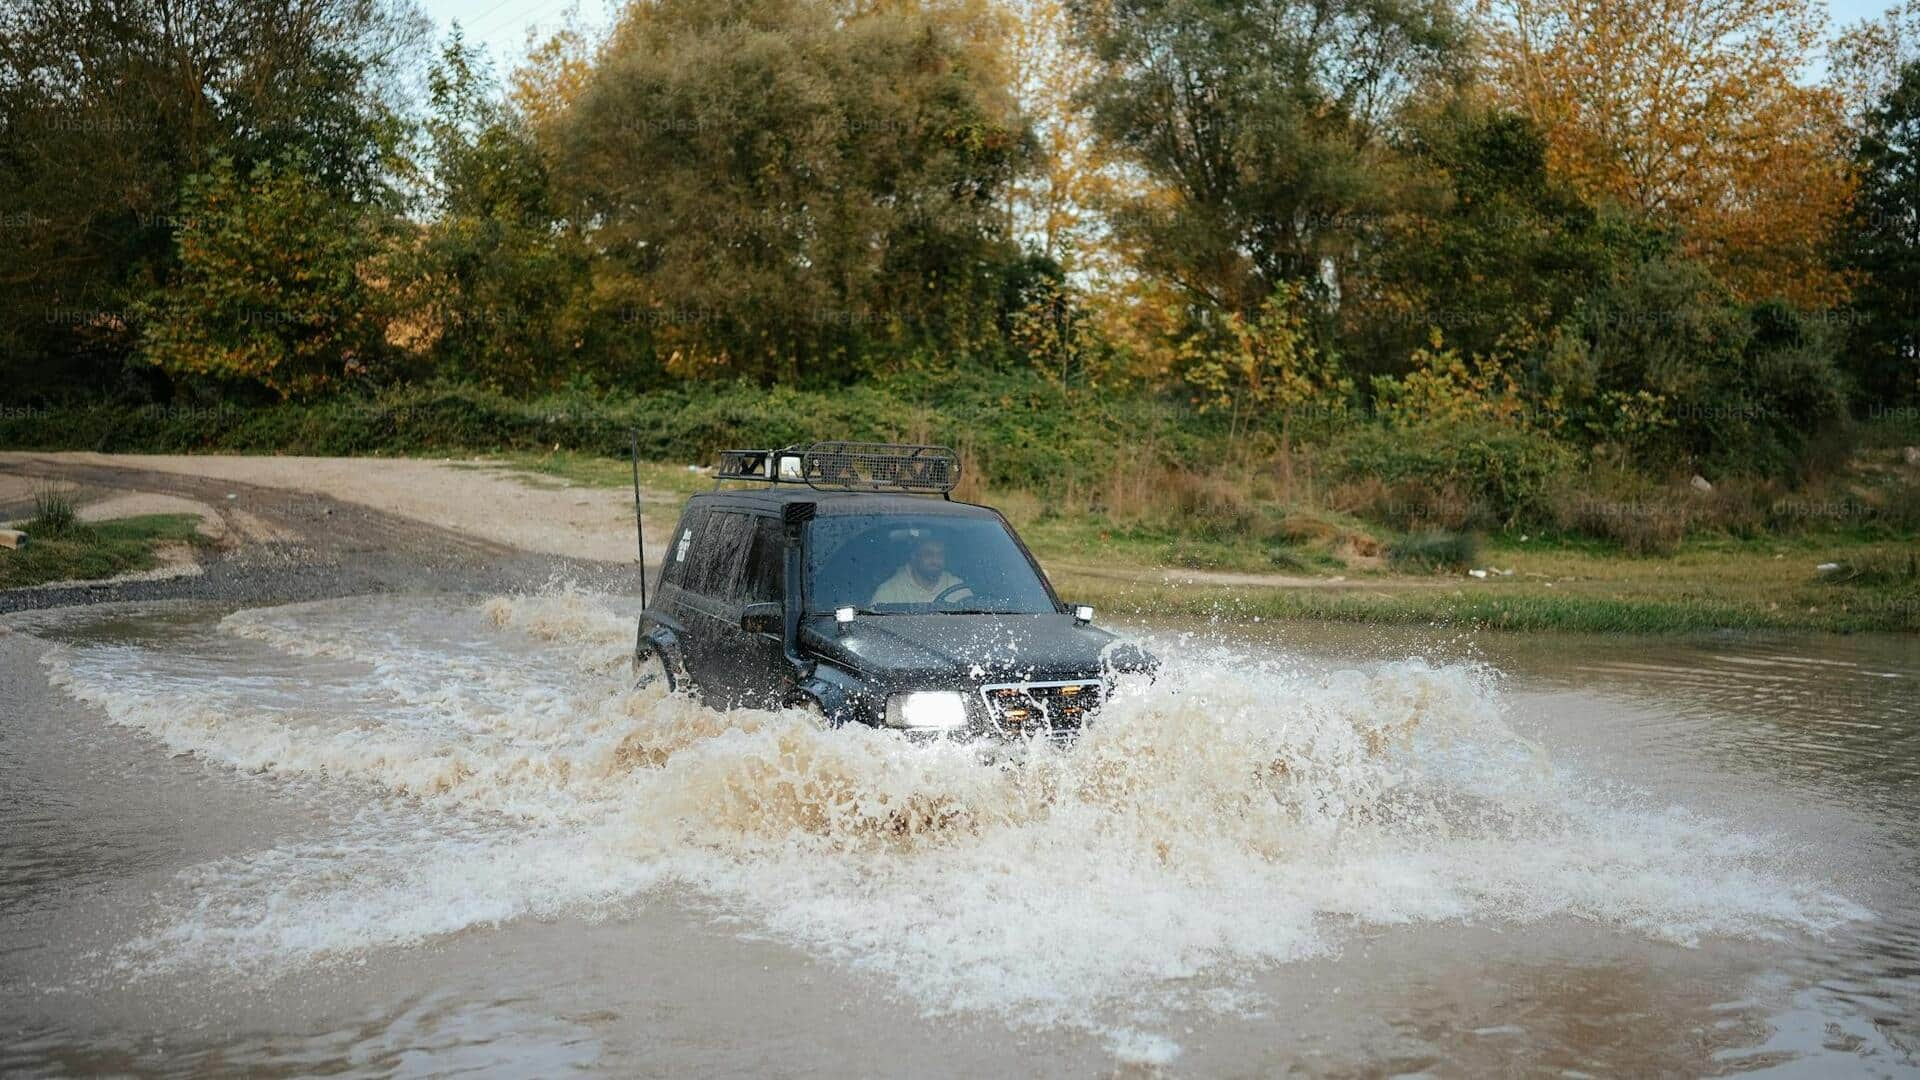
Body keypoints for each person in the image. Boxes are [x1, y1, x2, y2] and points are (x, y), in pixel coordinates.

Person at [871, 536, 971, 606]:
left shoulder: (957, 587)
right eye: (928, 554)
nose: (935, 560)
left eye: (940, 555)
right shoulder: (891, 590)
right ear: (914, 557)